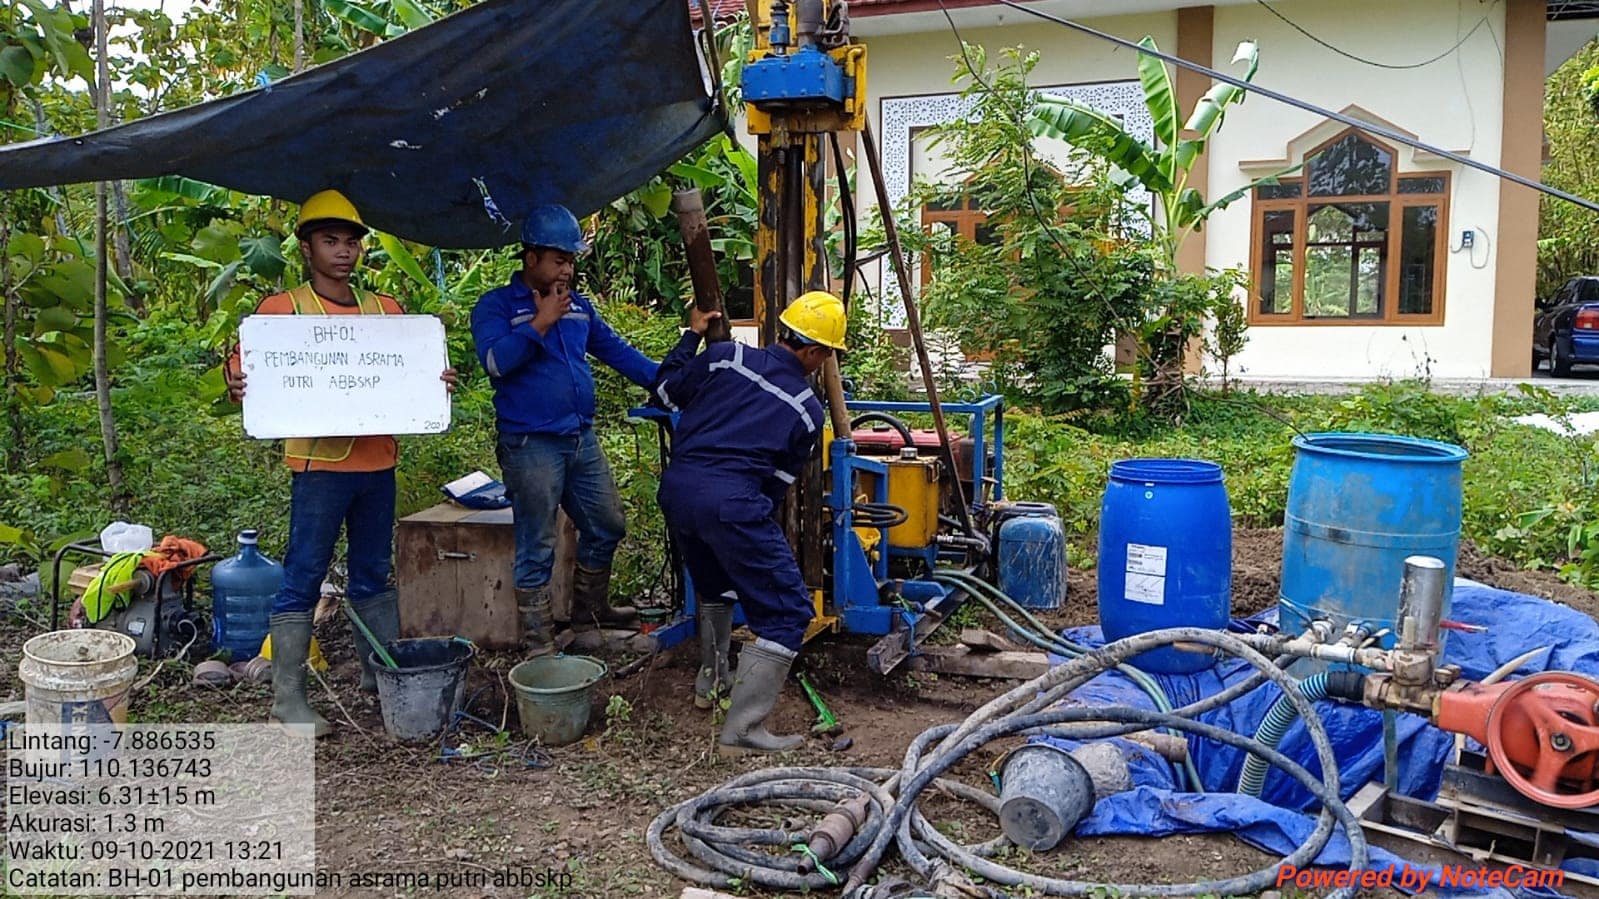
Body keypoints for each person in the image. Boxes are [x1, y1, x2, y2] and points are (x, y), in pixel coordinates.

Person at [225, 189, 457, 738]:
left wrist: (436, 379)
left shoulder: (390, 313)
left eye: (351, 242)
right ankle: (288, 700)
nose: (343, 252)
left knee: (373, 574)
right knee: (304, 574)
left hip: (378, 465)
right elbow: (246, 374)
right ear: (306, 248)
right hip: (319, 469)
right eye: (330, 241)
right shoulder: (280, 313)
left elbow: (419, 374)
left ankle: (380, 678)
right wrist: (235, 383)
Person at [652, 290, 848, 755]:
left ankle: (711, 686)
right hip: (733, 503)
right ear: (815, 352)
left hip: (677, 492)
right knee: (787, 613)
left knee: (715, 585)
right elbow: (775, 487)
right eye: (826, 356)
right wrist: (742, 524)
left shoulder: (723, 358)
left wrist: (690, 337)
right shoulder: (807, 410)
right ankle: (741, 731)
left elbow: (664, 391)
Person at [470, 204, 656, 656]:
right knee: (538, 540)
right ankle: (538, 643)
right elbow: (495, 363)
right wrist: (540, 322)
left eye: (571, 260)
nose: (567, 269)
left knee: (607, 523)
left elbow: (619, 353)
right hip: (530, 443)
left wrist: (674, 380)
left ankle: (589, 616)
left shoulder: (578, 308)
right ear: (530, 258)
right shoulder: (496, 306)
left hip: (579, 437)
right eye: (559, 259)